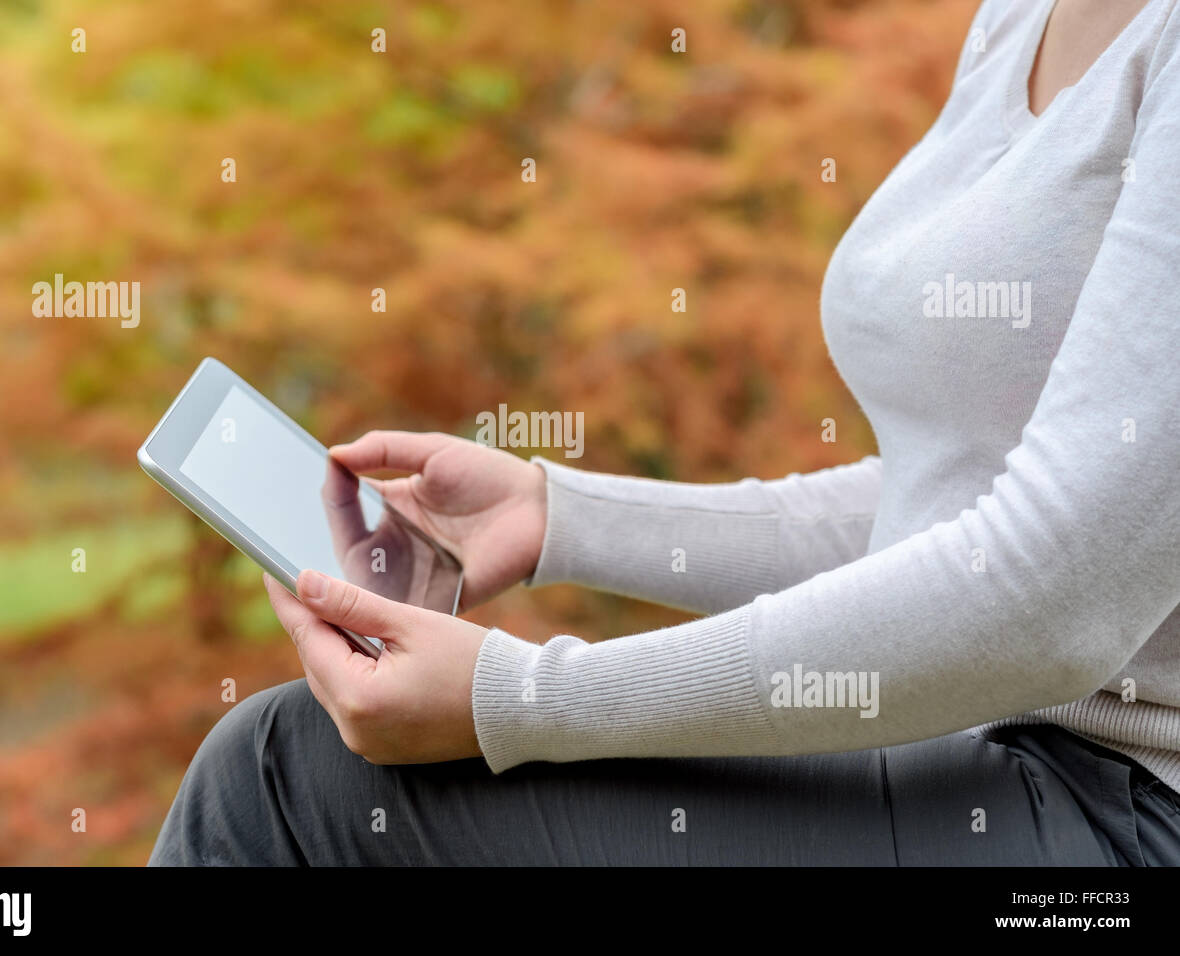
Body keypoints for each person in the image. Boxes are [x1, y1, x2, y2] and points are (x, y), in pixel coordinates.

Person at [149, 0, 1180, 865]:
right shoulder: (1023, 15)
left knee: (283, 780)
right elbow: (949, 499)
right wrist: (563, 514)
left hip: (1116, 822)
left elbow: (1049, 595)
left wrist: (520, 698)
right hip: (961, 750)